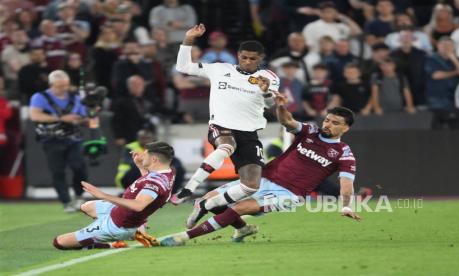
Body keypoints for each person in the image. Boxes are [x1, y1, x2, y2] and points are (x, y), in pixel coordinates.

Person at [159, 100, 360, 246]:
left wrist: (346, 206)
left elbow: (346, 184)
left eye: (335, 123)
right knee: (209, 199)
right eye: (327, 120)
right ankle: (243, 228)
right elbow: (288, 122)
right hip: (263, 179)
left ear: (346, 128)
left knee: (240, 207)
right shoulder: (310, 131)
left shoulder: (344, 153)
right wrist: (281, 106)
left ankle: (184, 237)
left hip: (289, 194)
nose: (327, 125)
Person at [171, 24, 280, 229]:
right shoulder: (220, 69)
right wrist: (188, 39)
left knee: (251, 186)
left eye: (253, 58)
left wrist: (266, 91)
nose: (248, 61)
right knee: (226, 146)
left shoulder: (269, 78)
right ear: (238, 55)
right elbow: (183, 68)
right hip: (221, 125)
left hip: (249, 133)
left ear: (261, 59)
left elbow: (271, 105)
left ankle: (205, 204)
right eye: (244, 57)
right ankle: (189, 188)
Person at [52, 141, 175, 250]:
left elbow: (138, 205)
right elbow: (147, 186)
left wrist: (103, 195)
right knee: (86, 206)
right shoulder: (166, 173)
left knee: (59, 242)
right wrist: (140, 166)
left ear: (154, 159)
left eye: (146, 154)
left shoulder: (155, 182)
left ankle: (113, 243)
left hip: (119, 224)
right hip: (117, 211)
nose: (142, 155)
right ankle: (136, 230)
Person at [29, 70, 88, 212]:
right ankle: (66, 202)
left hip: (73, 137)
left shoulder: (75, 97)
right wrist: (61, 118)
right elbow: (35, 116)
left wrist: (80, 118)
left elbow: (84, 116)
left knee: (79, 166)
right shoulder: (40, 97)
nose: (64, 89)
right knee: (57, 171)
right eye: (59, 86)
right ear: (51, 85)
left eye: (66, 85)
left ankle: (79, 195)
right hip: (51, 139)